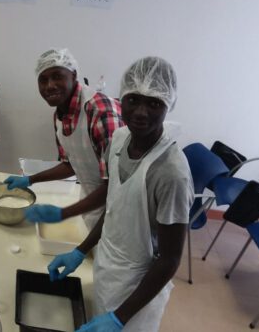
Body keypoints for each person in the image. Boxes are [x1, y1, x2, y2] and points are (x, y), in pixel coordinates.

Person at [47, 57, 194, 331]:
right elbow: (114, 206)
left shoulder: (171, 173)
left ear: (168, 104)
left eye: (153, 103)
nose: (140, 112)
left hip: (139, 292)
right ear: (121, 99)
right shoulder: (119, 139)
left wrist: (119, 318)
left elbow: (170, 259)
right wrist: (80, 251)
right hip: (107, 267)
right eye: (133, 99)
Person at [4, 48, 123, 230]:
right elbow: (70, 165)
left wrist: (63, 213)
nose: (50, 86)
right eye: (43, 80)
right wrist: (30, 180)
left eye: (57, 76)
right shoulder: (60, 115)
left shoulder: (100, 112)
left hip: (119, 212)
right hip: (91, 203)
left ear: (74, 75)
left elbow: (116, 185)